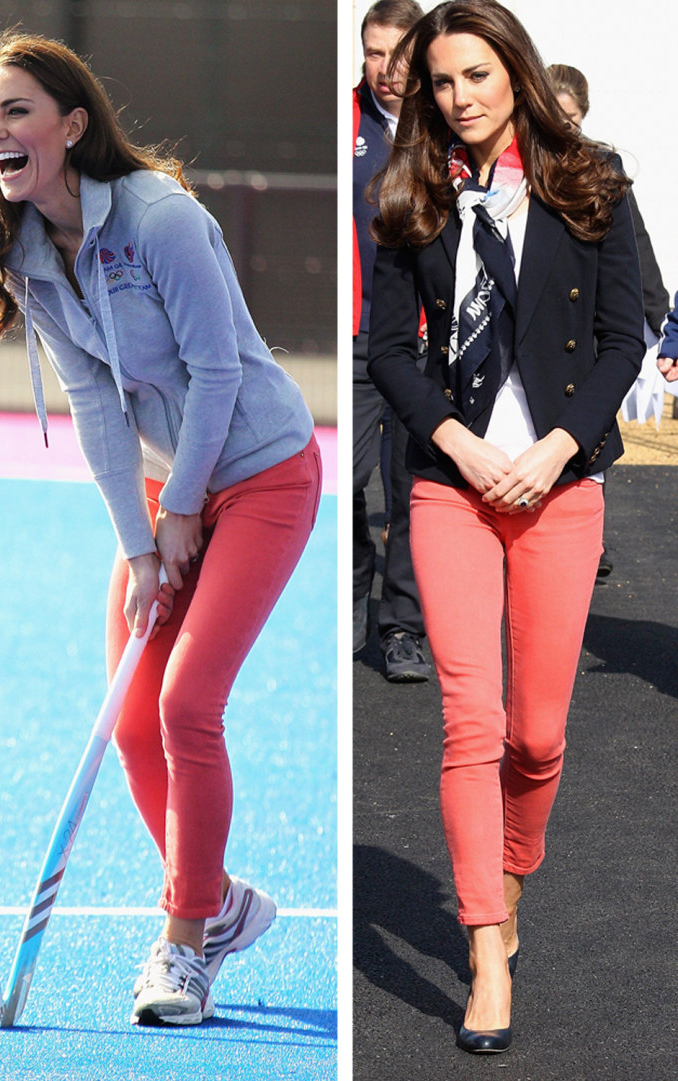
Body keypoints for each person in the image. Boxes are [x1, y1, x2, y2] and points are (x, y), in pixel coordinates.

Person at [0, 30, 322, 1028]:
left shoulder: (164, 221)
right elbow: (97, 407)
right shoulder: (24, 249)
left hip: (262, 472)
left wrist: (187, 505)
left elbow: (222, 373)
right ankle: (223, 903)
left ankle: (184, 945)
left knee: (188, 703)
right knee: (132, 718)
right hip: (165, 490)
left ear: (71, 125)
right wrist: (145, 540)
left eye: (16, 110)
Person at [367, 0, 643, 1054]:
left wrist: (559, 445)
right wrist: (460, 440)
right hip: (450, 484)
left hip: (560, 487)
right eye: (440, 82)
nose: (458, 97)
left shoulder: (589, 182)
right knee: (470, 722)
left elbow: (629, 327)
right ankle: (485, 948)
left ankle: (510, 873)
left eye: (475, 75)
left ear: (512, 72)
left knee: (536, 733)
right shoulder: (413, 194)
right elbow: (389, 347)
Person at [548, 62, 671, 578]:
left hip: (592, 320)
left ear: (584, 117)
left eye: (570, 119)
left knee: (591, 423)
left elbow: (634, 242)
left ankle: (586, 534)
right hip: (546, 319)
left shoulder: (603, 168)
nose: (560, 126)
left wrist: (662, 318)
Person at [353, 0, 429, 681]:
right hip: (356, 335)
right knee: (347, 479)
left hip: (424, 343)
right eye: (374, 53)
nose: (385, 69)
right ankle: (351, 594)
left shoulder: (446, 127)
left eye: (400, 54)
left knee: (412, 487)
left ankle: (403, 625)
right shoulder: (342, 121)